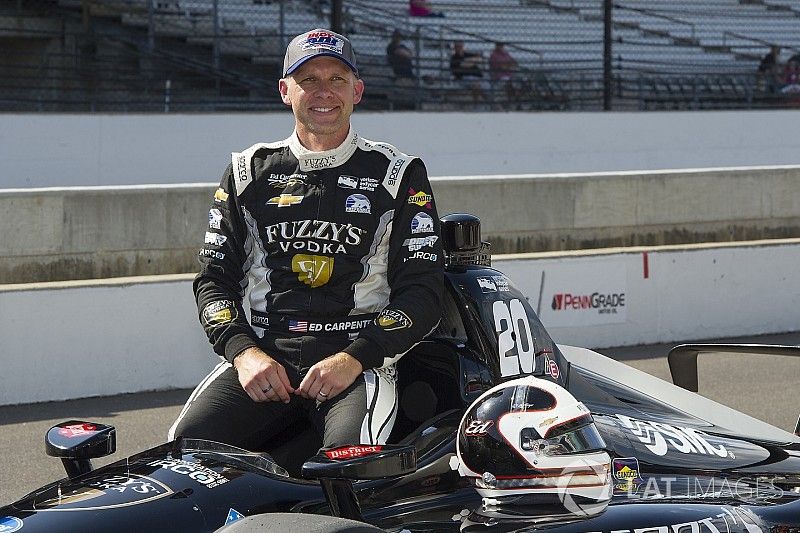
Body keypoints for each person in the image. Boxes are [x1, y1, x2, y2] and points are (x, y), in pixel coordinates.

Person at [169, 28, 444, 462]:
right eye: (308, 79)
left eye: (336, 79)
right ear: (285, 91)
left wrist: (355, 358)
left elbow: (424, 292)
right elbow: (212, 282)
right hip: (264, 356)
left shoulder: (398, 173)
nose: (323, 92)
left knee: (348, 467)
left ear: (357, 90)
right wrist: (244, 354)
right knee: (182, 457)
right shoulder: (248, 170)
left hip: (358, 363)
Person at [450, 40, 488, 105]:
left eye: (460, 46)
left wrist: (468, 61)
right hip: (464, 78)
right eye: (457, 46)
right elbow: (456, 71)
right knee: (476, 85)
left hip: (477, 76)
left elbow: (479, 58)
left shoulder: (467, 54)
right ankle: (477, 104)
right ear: (454, 48)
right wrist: (468, 63)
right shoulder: (454, 58)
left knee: (486, 86)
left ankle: (491, 104)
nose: (459, 48)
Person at [488, 42, 520, 109]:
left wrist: (508, 65)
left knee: (520, 82)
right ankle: (509, 103)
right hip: (499, 76)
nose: (501, 47)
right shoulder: (493, 55)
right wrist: (509, 65)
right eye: (499, 46)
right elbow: (501, 67)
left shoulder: (506, 54)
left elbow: (515, 63)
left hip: (510, 75)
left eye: (502, 46)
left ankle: (516, 102)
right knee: (508, 82)